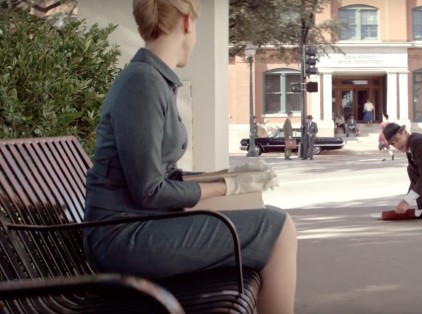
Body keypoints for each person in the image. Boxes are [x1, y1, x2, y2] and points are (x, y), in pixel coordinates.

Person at [82, 1, 297, 313]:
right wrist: (226, 187)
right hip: (124, 239)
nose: (194, 38)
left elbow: (161, 177)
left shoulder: (151, 79)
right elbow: (150, 190)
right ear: (186, 23)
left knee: (275, 223)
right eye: (195, 28)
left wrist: (229, 176)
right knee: (277, 229)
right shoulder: (143, 82)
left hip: (137, 227)